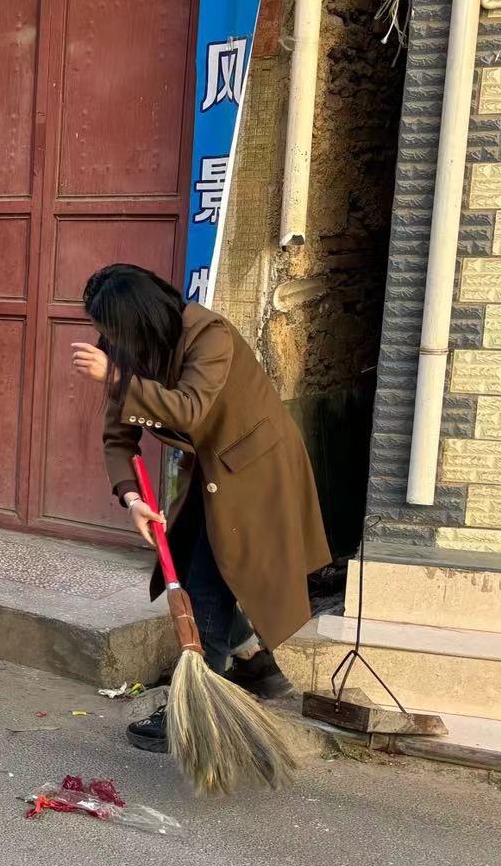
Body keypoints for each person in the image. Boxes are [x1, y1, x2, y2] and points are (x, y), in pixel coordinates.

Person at [72, 263, 329, 753]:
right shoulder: (125, 350)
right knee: (194, 572)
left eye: (114, 330)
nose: (109, 341)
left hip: (254, 468)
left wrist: (117, 378)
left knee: (207, 588)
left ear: (141, 318)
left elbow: (189, 409)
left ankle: (194, 714)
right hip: (209, 472)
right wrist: (132, 499)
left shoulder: (209, 335)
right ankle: (254, 663)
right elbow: (118, 438)